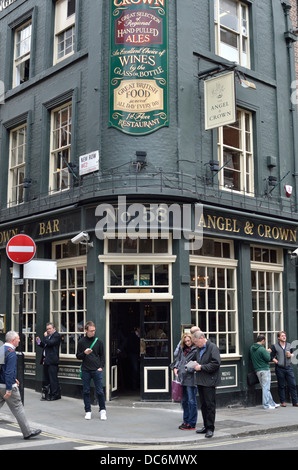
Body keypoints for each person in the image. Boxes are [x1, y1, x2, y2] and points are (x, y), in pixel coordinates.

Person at [0, 331, 41, 440]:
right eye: (18, 338)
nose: (19, 340)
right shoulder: (11, 352)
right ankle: (27, 432)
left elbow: (2, 369)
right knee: (18, 408)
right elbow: (8, 371)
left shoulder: (1, 349)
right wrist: (9, 388)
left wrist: (14, 378)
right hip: (8, 386)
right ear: (13, 340)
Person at [191, 331, 221, 438]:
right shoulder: (199, 349)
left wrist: (201, 367)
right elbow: (198, 360)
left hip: (209, 381)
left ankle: (210, 428)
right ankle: (205, 426)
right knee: (203, 405)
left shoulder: (213, 347)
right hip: (200, 380)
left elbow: (216, 363)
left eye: (196, 342)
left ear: (202, 338)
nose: (196, 344)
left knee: (210, 405)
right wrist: (194, 364)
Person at [76, 321, 107, 420]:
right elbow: (78, 356)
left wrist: (101, 367)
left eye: (94, 331)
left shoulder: (99, 342)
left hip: (96, 370)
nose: (93, 333)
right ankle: (88, 411)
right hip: (85, 370)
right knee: (86, 391)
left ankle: (103, 411)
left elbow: (102, 356)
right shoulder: (81, 342)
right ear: (86, 330)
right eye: (91, 331)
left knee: (100, 392)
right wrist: (84, 353)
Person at [173, 333, 198, 431]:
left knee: (191, 401)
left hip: (191, 379)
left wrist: (188, 369)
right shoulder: (182, 349)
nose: (187, 343)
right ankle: (185, 421)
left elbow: (197, 363)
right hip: (182, 378)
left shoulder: (196, 350)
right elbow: (178, 360)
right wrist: (175, 367)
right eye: (186, 341)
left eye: (189, 341)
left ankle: (191, 423)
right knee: (184, 402)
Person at [250, 334, 279, 410]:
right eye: (264, 341)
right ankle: (266, 405)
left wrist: (265, 351)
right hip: (265, 370)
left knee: (265, 387)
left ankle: (272, 403)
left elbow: (259, 355)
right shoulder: (262, 349)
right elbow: (268, 358)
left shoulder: (252, 348)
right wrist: (268, 351)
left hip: (258, 370)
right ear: (263, 340)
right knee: (266, 388)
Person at [271, 331, 298, 407]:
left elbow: (293, 354)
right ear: (278, 338)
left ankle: (295, 402)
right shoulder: (275, 346)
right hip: (280, 368)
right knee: (281, 385)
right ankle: (283, 402)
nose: (284, 337)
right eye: (282, 336)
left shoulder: (289, 345)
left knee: (292, 384)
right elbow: (271, 355)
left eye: (285, 335)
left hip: (288, 368)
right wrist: (276, 361)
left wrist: (290, 355)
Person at [36, 322, 61, 401]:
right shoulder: (49, 337)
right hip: (46, 360)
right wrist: (39, 342)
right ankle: (48, 394)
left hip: (52, 361)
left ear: (54, 328)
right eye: (47, 329)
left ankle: (55, 395)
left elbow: (50, 343)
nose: (48, 330)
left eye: (50, 329)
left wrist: (46, 337)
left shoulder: (56, 336)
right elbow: (45, 346)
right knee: (47, 378)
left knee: (53, 379)